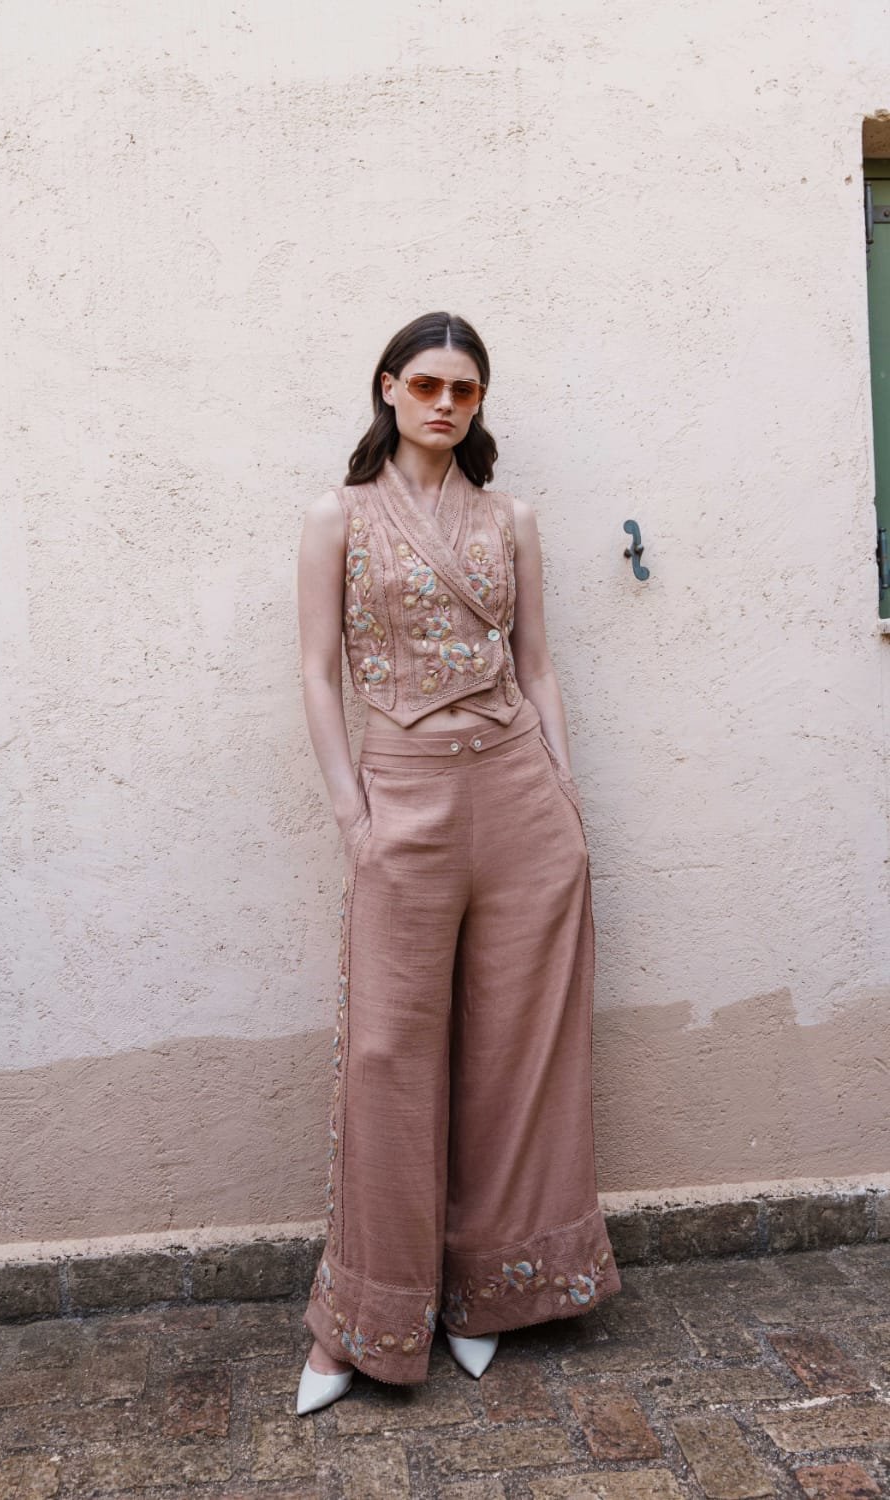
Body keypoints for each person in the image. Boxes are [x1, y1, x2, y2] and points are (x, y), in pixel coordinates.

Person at [294, 310, 621, 1415]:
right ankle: (364, 1319)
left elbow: (539, 666)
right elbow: (315, 672)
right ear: (387, 387)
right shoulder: (336, 516)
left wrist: (566, 797)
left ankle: (490, 1293)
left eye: (464, 390)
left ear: (479, 403)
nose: (444, 403)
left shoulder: (510, 517)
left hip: (520, 793)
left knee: (517, 1049)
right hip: (405, 794)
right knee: (389, 1054)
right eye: (426, 384)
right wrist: (354, 816)